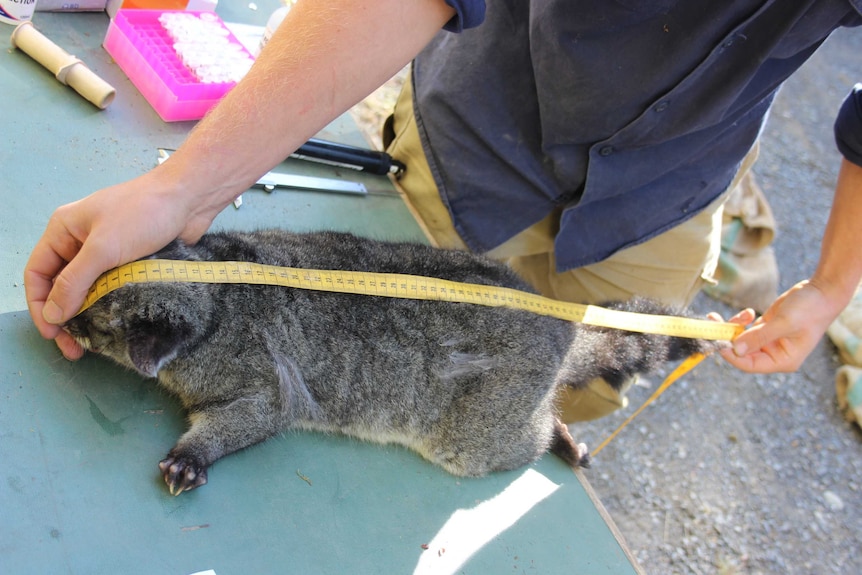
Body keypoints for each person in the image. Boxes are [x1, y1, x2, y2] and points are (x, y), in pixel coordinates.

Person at [25, 1, 862, 421]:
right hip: (478, 146)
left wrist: (829, 287)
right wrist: (182, 188)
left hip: (665, 194)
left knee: (564, 391)